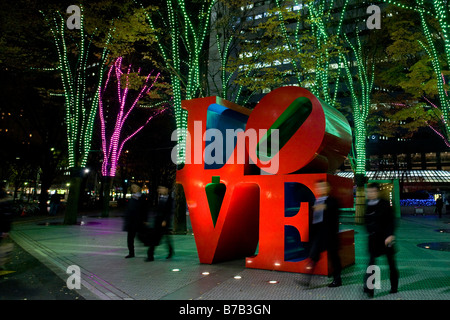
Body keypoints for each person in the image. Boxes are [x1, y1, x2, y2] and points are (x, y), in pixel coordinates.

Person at [364, 183, 399, 297]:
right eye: (369, 192)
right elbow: (367, 222)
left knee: (391, 264)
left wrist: (390, 235)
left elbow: (391, 221)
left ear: (377, 192)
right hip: (373, 239)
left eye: (373, 192)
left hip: (386, 239)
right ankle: (370, 289)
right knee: (371, 264)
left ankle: (394, 286)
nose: (370, 194)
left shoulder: (384, 204)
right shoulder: (368, 204)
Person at [304, 180, 342, 287]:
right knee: (314, 256)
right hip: (319, 234)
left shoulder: (332, 201)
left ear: (327, 188)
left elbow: (333, 209)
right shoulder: (317, 201)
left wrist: (325, 207)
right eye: (319, 187)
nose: (320, 189)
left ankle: (337, 279)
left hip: (330, 234)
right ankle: (307, 279)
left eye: (323, 187)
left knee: (334, 257)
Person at [146, 185, 174, 262]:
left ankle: (170, 251)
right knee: (156, 238)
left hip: (164, 222)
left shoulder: (170, 200)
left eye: (162, 188)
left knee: (164, 239)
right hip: (157, 222)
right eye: (159, 189)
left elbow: (169, 211)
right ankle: (150, 255)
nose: (160, 190)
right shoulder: (158, 198)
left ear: (167, 189)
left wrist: (165, 220)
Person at [123, 183, 147, 259]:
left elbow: (145, 210)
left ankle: (150, 250)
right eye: (132, 187)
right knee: (130, 238)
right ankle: (131, 253)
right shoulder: (131, 198)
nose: (133, 188)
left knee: (143, 238)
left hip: (139, 221)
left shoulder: (143, 198)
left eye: (135, 187)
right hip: (131, 222)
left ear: (139, 188)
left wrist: (145, 220)